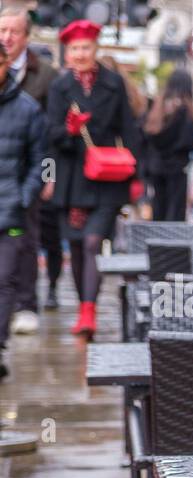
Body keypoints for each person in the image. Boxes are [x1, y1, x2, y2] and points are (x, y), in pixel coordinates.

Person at [46, 19, 141, 340]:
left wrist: (135, 176)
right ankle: (83, 308)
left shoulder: (113, 83)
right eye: (75, 49)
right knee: (75, 244)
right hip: (71, 178)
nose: (81, 54)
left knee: (92, 242)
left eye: (86, 47)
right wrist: (70, 130)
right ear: (67, 52)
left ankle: (89, 309)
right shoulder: (59, 88)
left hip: (107, 178)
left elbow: (129, 130)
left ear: (96, 49)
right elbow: (51, 135)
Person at [0, 5, 56, 333]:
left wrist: (45, 178)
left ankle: (26, 302)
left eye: (13, 32)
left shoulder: (45, 75)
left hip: (25, 178)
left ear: (26, 36)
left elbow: (50, 139)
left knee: (27, 240)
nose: (7, 38)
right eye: (2, 31)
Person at [0, 37, 47, 380]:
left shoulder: (29, 109)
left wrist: (27, 195)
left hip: (12, 211)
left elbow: (42, 163)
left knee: (4, 280)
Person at [141, 69, 193, 222]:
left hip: (156, 166)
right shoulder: (186, 111)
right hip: (178, 167)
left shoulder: (156, 108)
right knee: (175, 211)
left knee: (158, 206)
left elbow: (145, 135)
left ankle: (156, 242)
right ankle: (171, 244)